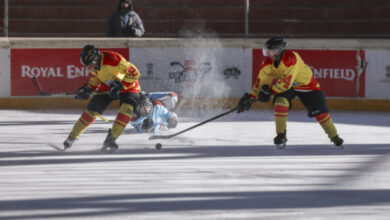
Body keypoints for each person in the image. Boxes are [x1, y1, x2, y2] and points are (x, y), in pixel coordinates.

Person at [236, 37, 344, 150]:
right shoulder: (267, 63)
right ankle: (281, 135)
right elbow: (260, 83)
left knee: (321, 114)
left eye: (271, 50)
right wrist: (250, 97)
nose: (268, 53)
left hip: (307, 86)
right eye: (267, 50)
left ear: (279, 50)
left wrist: (270, 91)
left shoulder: (292, 58)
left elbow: (286, 83)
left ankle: (335, 137)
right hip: (287, 86)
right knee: (280, 102)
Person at [63, 45, 144, 152]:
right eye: (88, 65)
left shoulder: (113, 60)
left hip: (129, 88)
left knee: (126, 111)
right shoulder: (94, 66)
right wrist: (87, 88)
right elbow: (97, 77)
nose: (90, 67)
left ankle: (112, 138)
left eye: (91, 64)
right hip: (109, 88)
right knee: (91, 110)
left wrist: (119, 82)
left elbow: (135, 73)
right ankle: (72, 136)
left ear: (96, 58)